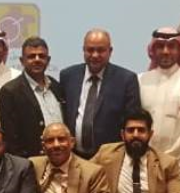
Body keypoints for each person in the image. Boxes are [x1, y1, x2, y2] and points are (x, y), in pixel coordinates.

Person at [60, 28, 141, 158]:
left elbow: (132, 122)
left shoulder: (126, 79)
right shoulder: (68, 76)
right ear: (83, 50)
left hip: (110, 158)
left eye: (101, 50)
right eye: (90, 50)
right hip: (73, 157)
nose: (95, 55)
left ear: (110, 51)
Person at [138, 27, 180, 170]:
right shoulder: (141, 80)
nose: (165, 51)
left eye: (171, 46)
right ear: (153, 50)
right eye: (160, 46)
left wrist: (170, 159)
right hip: (146, 164)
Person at [0, 37, 66, 158]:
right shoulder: (10, 92)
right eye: (31, 56)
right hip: (30, 162)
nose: (37, 60)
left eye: (41, 56)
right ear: (22, 60)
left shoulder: (56, 86)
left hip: (61, 158)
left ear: (48, 60)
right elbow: (10, 139)